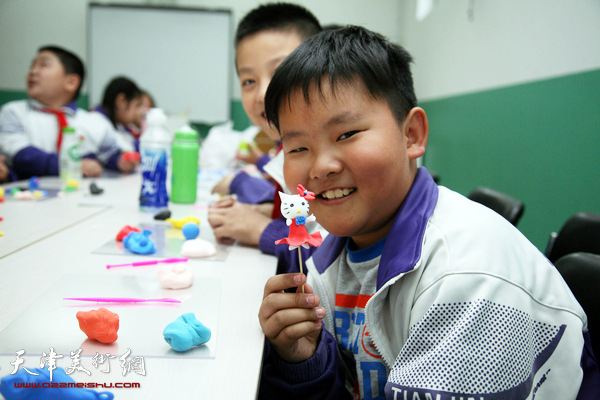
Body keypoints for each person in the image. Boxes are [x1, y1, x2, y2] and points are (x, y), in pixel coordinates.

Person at [257, 26, 599, 399]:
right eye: (297, 148)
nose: (320, 167)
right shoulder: (329, 261)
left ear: (412, 135)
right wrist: (305, 360)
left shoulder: (467, 281)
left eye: (346, 134)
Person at [208, 3, 323, 272]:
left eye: (278, 72)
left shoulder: (331, 160)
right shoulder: (289, 149)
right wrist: (268, 213)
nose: (262, 94)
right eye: (249, 81)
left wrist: (262, 228)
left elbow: (339, 260)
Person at [0, 45, 137, 181]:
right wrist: (71, 166)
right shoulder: (13, 112)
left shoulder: (94, 121)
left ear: (71, 82)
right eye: (32, 66)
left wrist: (121, 162)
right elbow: (20, 155)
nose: (33, 71)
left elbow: (110, 154)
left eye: (43, 65)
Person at [93, 76, 145, 153]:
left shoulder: (119, 125)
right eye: (137, 105)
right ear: (121, 101)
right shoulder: (97, 122)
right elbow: (128, 152)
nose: (138, 113)